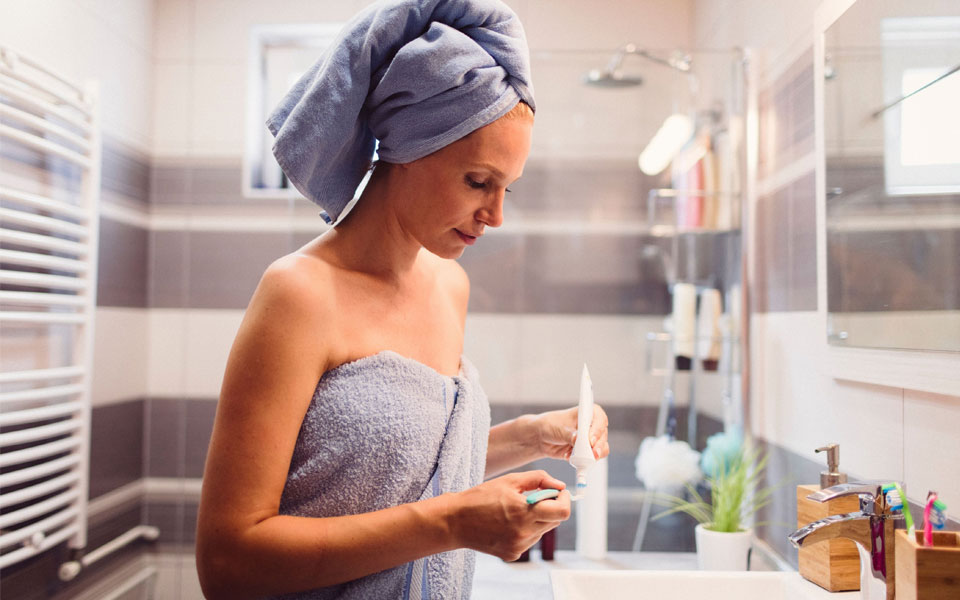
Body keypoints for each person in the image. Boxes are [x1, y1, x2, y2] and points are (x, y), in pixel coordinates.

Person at [195, 1, 609, 598]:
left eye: (506, 190)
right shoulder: (299, 295)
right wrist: (453, 523)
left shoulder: (449, 285)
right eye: (477, 182)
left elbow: (395, 474)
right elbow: (228, 563)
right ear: (408, 150)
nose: (494, 216)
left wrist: (531, 436)